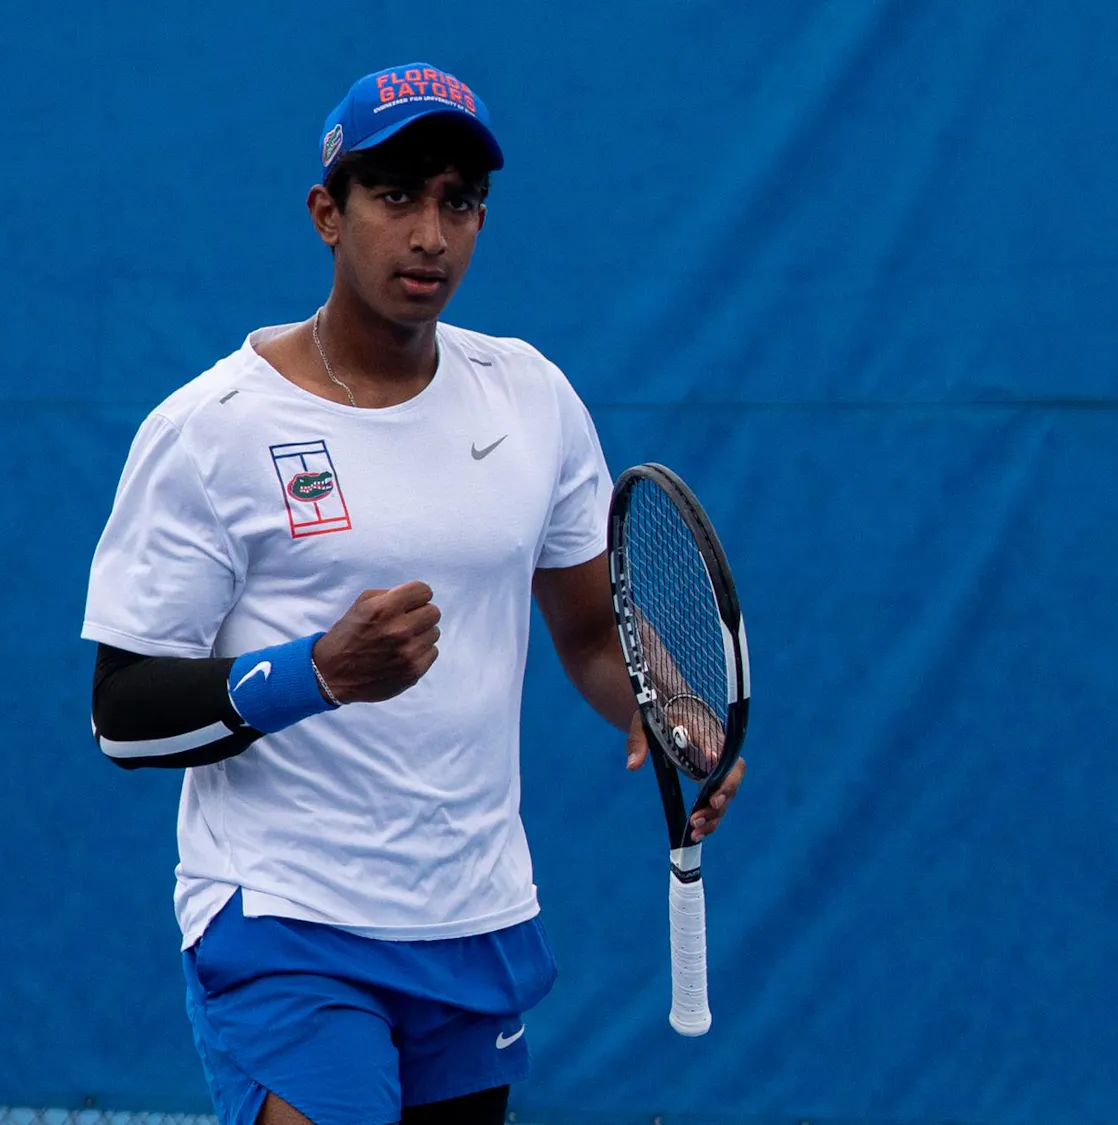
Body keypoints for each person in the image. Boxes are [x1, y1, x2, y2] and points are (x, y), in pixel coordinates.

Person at [81, 62, 746, 1125]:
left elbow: (588, 632)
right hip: (286, 922)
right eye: (396, 197)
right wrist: (317, 675)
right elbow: (123, 715)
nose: (431, 234)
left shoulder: (529, 397)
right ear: (326, 215)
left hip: (472, 918)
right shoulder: (211, 430)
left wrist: (670, 715)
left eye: (459, 202)